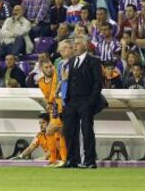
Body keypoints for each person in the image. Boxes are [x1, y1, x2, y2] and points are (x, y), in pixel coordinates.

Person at [63, 36, 105, 169]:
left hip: (86, 100)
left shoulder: (93, 61)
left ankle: (90, 161)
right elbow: (70, 82)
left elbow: (98, 82)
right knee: (69, 130)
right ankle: (71, 160)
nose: (74, 46)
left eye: (78, 44)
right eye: (74, 44)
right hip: (72, 101)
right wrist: (67, 99)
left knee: (87, 130)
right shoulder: (72, 61)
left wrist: (92, 101)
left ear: (86, 46)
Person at [38, 60, 67, 166]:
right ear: (41, 69)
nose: (49, 69)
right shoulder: (40, 82)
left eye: (50, 66)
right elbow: (47, 96)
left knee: (50, 130)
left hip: (60, 107)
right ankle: (58, 160)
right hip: (52, 110)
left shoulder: (56, 77)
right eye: (46, 67)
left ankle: (59, 159)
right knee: (57, 134)